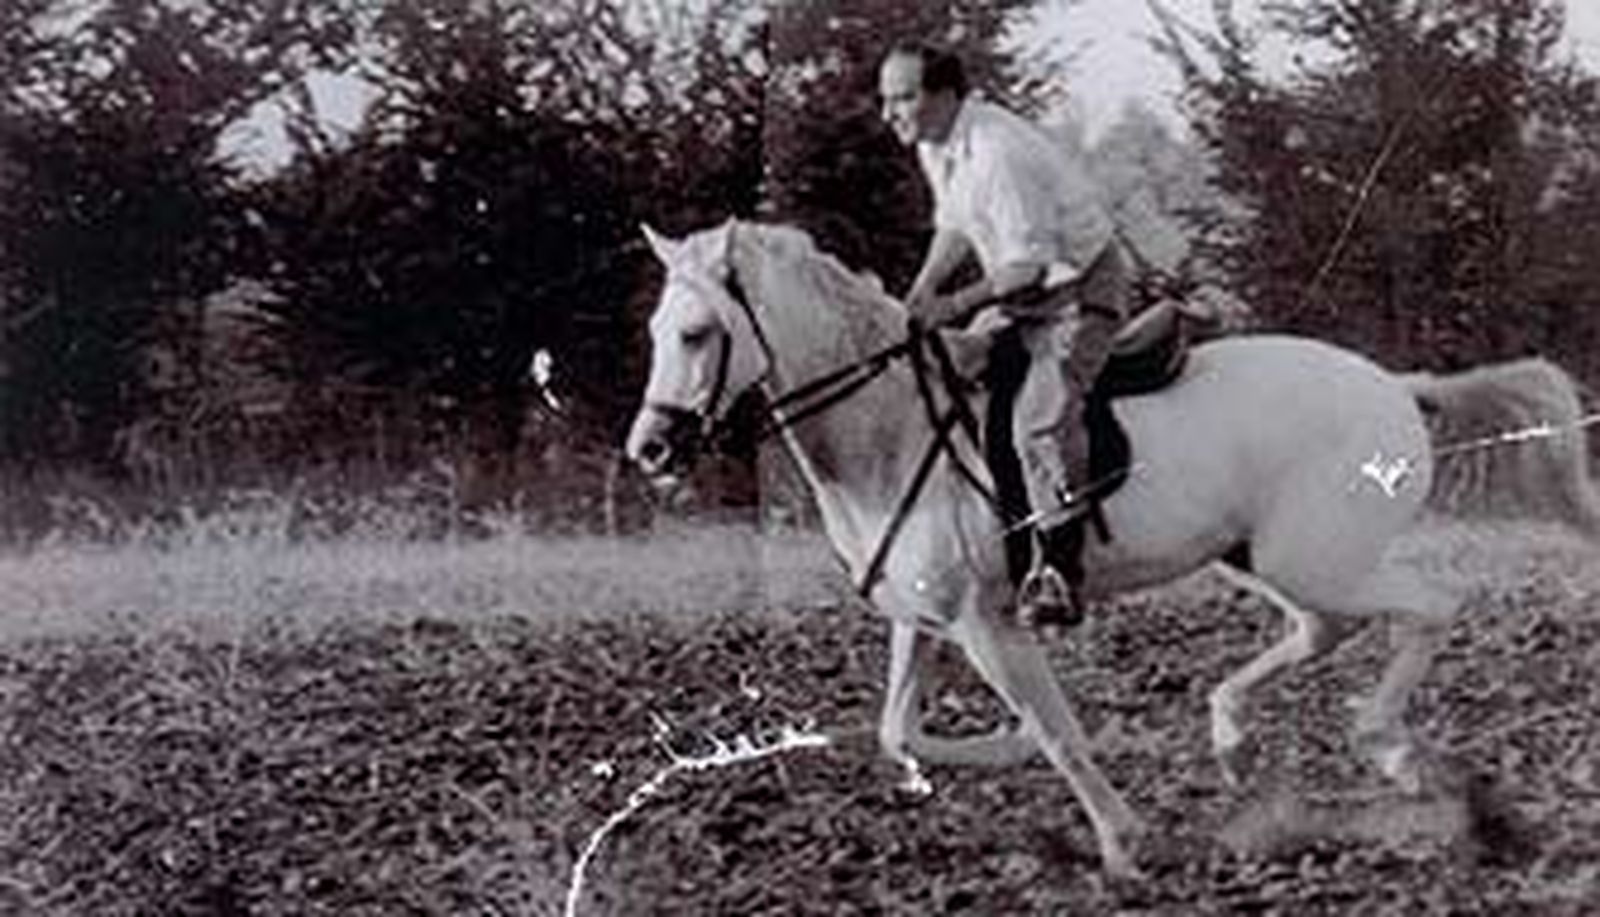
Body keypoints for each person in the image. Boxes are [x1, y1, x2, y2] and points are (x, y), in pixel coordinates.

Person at [877, 40, 1131, 624]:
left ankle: (1061, 574)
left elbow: (1028, 267)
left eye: (904, 98)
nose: (889, 113)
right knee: (952, 377)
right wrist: (921, 290)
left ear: (945, 95)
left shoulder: (998, 153)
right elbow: (955, 224)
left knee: (1039, 423)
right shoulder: (936, 142)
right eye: (886, 99)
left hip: (1078, 293)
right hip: (1026, 296)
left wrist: (951, 304)